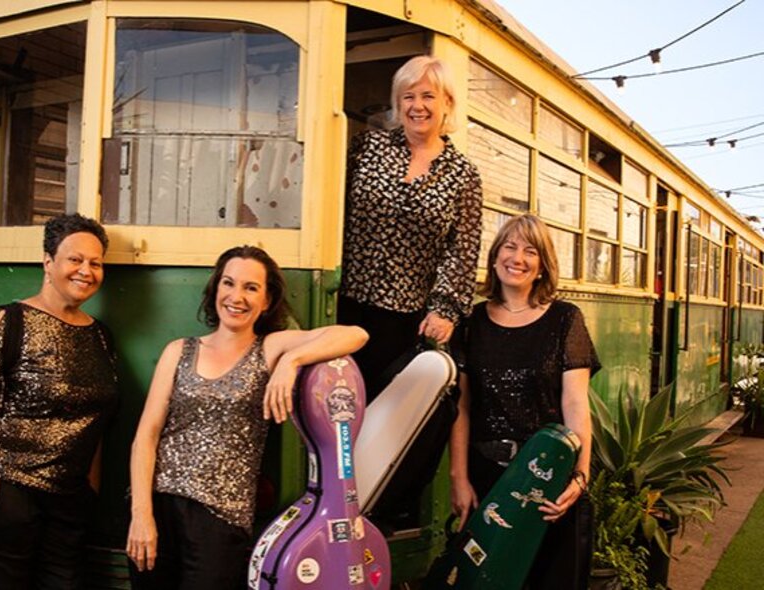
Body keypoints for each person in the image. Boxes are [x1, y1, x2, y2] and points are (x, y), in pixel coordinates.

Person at [126, 245, 368, 590]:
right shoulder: (178, 350)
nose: (236, 296)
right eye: (229, 283)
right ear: (216, 289)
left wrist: (291, 360)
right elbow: (146, 437)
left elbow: (356, 334)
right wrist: (141, 515)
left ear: (266, 300)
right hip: (158, 507)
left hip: (221, 520)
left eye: (250, 288)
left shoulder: (269, 348)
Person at [0, 213, 117, 590]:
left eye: (96, 262)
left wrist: (89, 492)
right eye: (75, 259)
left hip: (69, 509)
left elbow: (97, 420)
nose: (86, 270)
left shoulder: (100, 337)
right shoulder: (13, 319)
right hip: (10, 499)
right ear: (48, 262)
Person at [449, 213, 599, 589]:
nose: (517, 258)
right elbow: (461, 408)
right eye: (509, 246)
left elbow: (576, 405)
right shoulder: (470, 322)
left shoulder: (566, 319)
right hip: (489, 478)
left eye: (530, 251)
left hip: (549, 477)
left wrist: (580, 477)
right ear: (495, 255)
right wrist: (459, 478)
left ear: (543, 266)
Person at [339, 54, 483, 399]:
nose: (417, 106)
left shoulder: (463, 174)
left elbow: (462, 250)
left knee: (385, 417)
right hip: (344, 303)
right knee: (338, 403)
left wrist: (444, 310)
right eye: (408, 96)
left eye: (428, 96)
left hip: (405, 320)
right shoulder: (367, 148)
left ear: (447, 102)